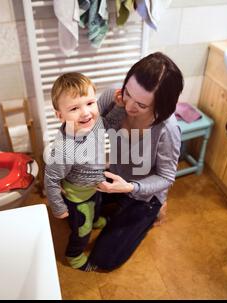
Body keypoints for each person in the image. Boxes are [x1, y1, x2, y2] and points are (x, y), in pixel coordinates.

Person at [86, 52, 184, 271]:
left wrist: (131, 187)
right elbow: (87, 131)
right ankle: (116, 207)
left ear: (161, 107)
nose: (129, 105)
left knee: (103, 260)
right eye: (128, 93)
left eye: (140, 105)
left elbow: (167, 176)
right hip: (116, 174)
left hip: (143, 193)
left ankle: (157, 209)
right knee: (72, 210)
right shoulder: (114, 97)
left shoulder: (167, 130)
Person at [44, 72, 125, 270]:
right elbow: (51, 179)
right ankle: (74, 255)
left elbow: (110, 123)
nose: (85, 112)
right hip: (78, 197)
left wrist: (120, 106)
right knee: (82, 228)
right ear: (59, 115)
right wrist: (58, 208)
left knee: (96, 206)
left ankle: (96, 219)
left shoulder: (92, 124)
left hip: (93, 186)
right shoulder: (64, 149)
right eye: (74, 108)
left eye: (89, 103)